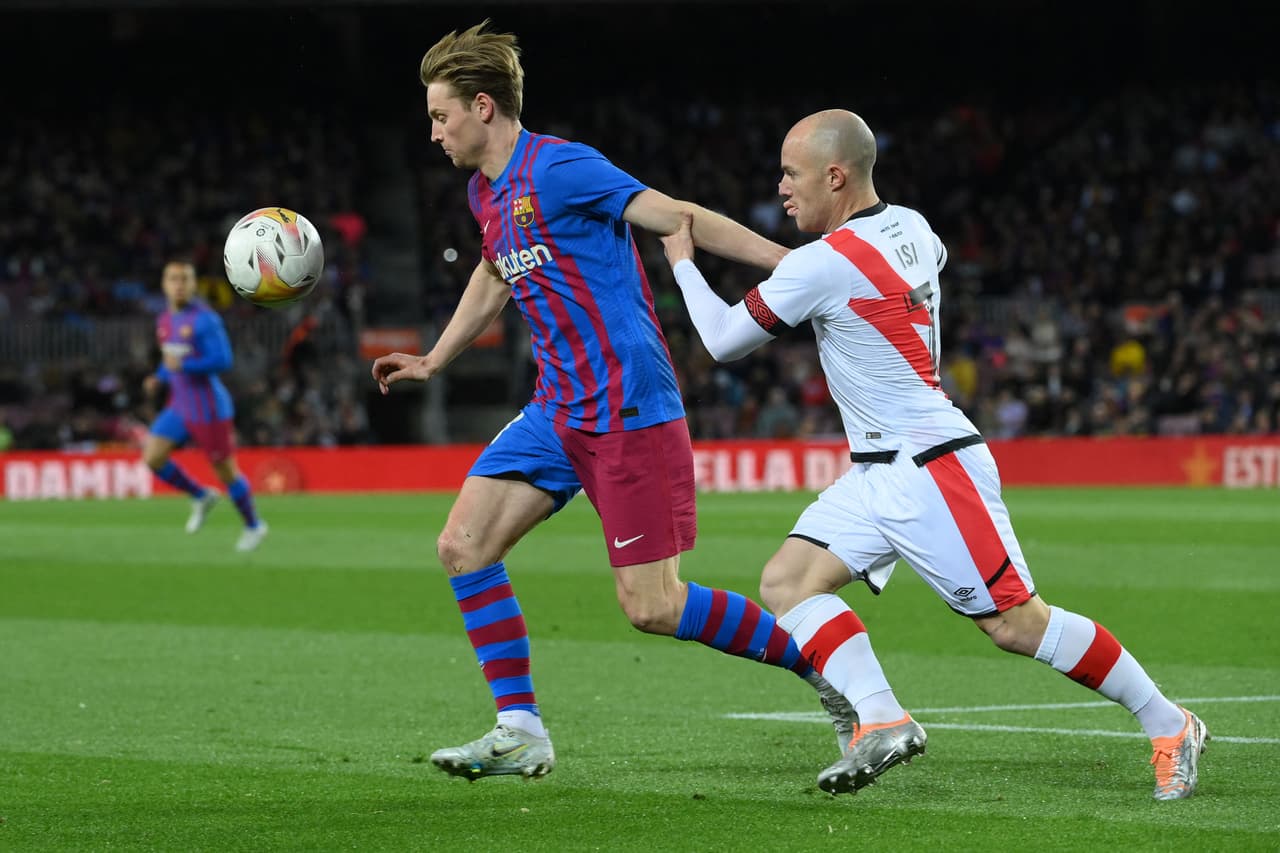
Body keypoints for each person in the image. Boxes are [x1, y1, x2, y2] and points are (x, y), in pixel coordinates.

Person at [658, 109, 1207, 801]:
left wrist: (681, 264)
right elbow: (900, 268)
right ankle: (882, 717)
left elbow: (721, 340)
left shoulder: (825, 263)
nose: (781, 188)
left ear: (837, 174)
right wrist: (818, 277)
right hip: (879, 468)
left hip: (929, 465)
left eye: (792, 174)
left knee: (1015, 622)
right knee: (790, 580)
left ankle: (1170, 722)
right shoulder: (913, 226)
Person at [370, 21, 855, 782]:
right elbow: (496, 271)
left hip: (628, 408)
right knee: (463, 545)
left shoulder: (562, 169)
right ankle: (520, 728)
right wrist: (436, 356)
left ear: (485, 107)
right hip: (558, 411)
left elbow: (680, 217)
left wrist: (802, 265)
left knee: (653, 607)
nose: (433, 131)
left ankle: (834, 674)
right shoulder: (484, 191)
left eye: (441, 114)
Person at [142, 259, 267, 552]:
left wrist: (183, 364)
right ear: (164, 285)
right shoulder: (164, 321)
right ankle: (200, 496)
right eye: (173, 279)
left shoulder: (205, 319)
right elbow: (169, 361)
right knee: (153, 457)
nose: (179, 285)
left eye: (185, 279)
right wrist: (158, 377)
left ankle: (254, 526)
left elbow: (223, 360)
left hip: (208, 408)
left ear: (193, 284)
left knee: (226, 472)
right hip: (178, 406)